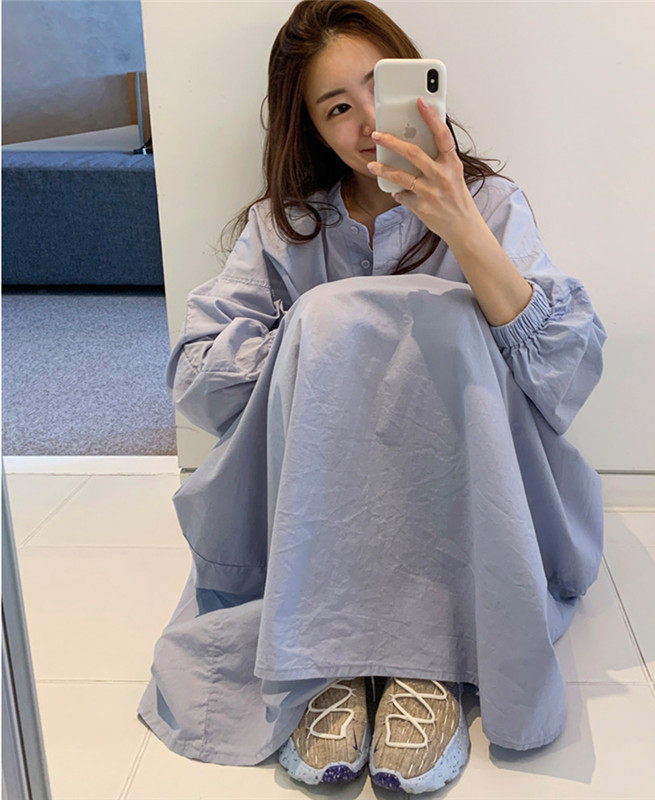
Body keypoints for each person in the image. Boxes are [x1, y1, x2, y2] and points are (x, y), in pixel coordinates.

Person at [136, 0, 608, 794]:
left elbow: (566, 371)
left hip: (466, 507)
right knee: (328, 321)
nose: (366, 123)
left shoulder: (492, 205)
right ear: (313, 130)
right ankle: (332, 654)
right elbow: (201, 376)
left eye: (378, 89)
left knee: (440, 322)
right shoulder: (284, 227)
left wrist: (462, 229)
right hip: (325, 511)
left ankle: (432, 658)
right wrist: (324, 342)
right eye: (336, 108)